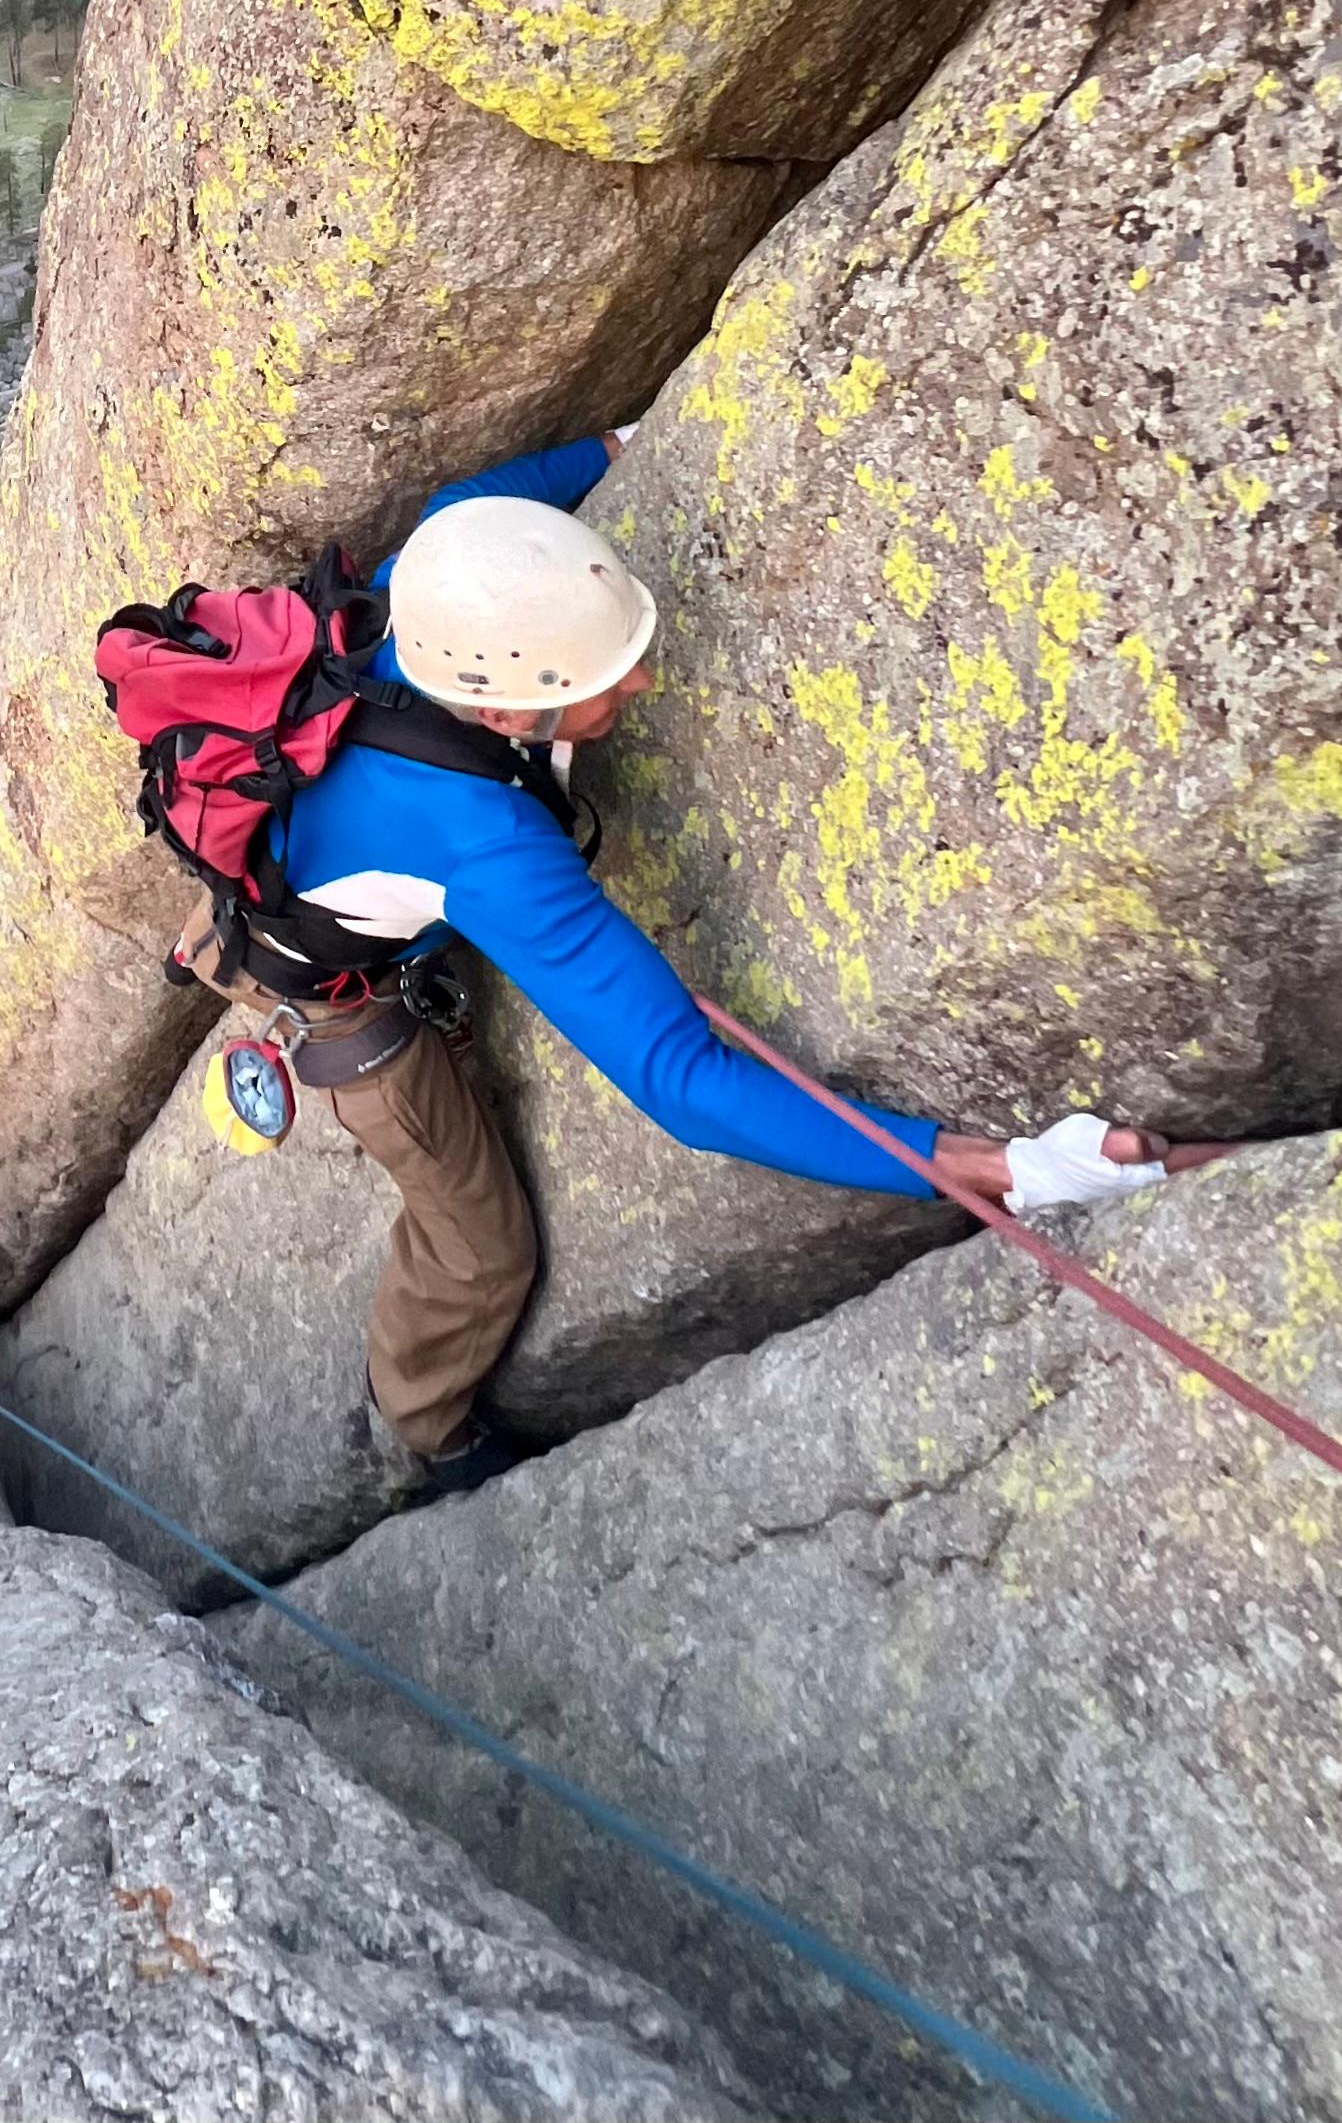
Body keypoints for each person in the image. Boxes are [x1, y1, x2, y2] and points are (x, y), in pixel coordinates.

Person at [174, 432, 1177, 1493]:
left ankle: (240, 928)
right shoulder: (488, 846)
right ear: (510, 713)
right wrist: (992, 1168)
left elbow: (475, 501)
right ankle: (428, 1424)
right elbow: (685, 1086)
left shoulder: (423, 587)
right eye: (609, 676)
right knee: (483, 1246)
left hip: (306, 835)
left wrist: (620, 443)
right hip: (338, 990)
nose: (643, 678)